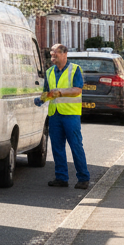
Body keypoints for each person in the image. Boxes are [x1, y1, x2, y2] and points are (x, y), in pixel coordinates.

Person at [42, 43, 90, 190]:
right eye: (51, 54)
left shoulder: (74, 69)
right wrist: (42, 98)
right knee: (57, 147)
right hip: (55, 114)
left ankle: (83, 178)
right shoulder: (49, 71)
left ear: (64, 54)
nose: (52, 57)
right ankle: (61, 177)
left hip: (70, 115)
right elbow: (47, 92)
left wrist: (59, 92)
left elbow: (77, 90)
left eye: (55, 54)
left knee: (76, 146)